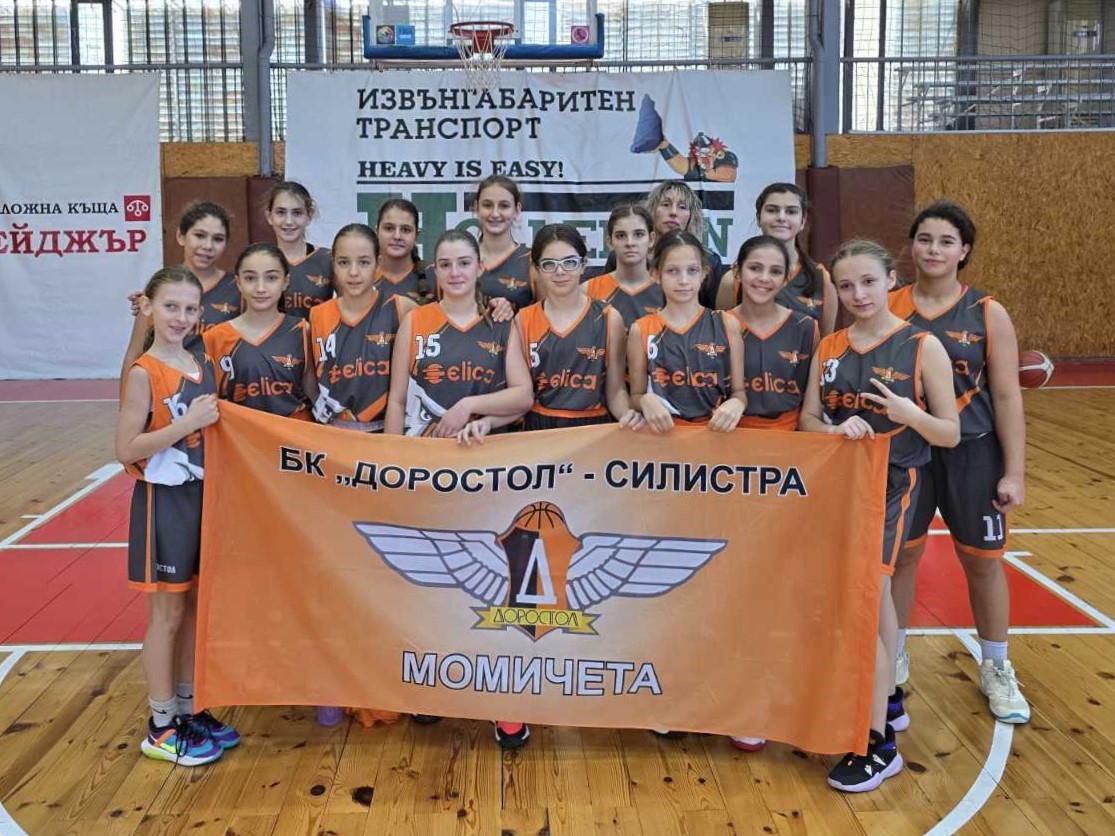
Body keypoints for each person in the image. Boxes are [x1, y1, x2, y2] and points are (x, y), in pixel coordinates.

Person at [799, 239, 959, 793]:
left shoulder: (922, 346)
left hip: (894, 485)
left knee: (866, 597)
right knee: (877, 594)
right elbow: (808, 421)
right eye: (846, 285)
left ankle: (877, 746)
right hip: (840, 485)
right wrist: (833, 428)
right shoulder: (830, 346)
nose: (858, 294)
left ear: (892, 279)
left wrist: (910, 413)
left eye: (868, 281)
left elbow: (949, 432)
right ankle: (888, 699)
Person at [385, 230, 534, 747]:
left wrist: (473, 409)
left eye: (464, 263)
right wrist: (393, 462)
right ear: (434, 270)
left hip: (490, 468)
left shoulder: (502, 321)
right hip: (428, 470)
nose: (454, 273)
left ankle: (504, 702)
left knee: (495, 582)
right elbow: (397, 400)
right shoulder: (416, 321)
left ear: (478, 268)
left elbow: (522, 396)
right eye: (445, 264)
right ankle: (435, 686)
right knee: (436, 580)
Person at [889, 201, 1030, 724]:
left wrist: (1014, 472)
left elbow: (1008, 396)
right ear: (911, 244)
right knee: (901, 557)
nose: (933, 249)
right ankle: (892, 654)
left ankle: (996, 666)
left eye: (946, 241)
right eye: (925, 239)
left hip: (973, 452)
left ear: (963, 251)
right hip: (908, 451)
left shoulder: (987, 312)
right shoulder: (888, 305)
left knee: (983, 561)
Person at [115, 266, 240, 766]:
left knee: (191, 609)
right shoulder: (144, 372)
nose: (181, 317)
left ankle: (189, 710)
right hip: (162, 502)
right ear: (148, 307)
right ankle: (160, 724)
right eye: (171, 306)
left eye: (190, 308)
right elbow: (126, 448)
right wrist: (187, 424)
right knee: (166, 615)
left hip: (200, 498)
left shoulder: (200, 361)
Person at [513, 223, 642, 433]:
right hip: (539, 429)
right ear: (536, 269)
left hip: (593, 429)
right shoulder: (523, 319)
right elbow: (520, 393)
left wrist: (629, 416)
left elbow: (616, 391)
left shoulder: (609, 318)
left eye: (570, 262)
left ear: (583, 265)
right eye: (549, 264)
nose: (560, 271)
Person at [628, 230, 746, 434]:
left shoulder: (727, 324)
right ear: (656, 274)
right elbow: (635, 396)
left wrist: (737, 403)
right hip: (663, 438)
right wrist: (644, 400)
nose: (683, 280)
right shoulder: (642, 329)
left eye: (692, 270)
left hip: (714, 436)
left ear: (704, 272)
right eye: (672, 271)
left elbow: (739, 392)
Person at [310, 223, 417, 433]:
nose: (353, 272)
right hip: (334, 435)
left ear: (378, 263)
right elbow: (308, 380)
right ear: (333, 264)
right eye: (343, 262)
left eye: (364, 262)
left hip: (389, 431)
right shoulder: (317, 316)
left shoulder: (402, 308)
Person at [121, 202, 237, 382]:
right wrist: (127, 400)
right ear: (180, 236)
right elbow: (134, 354)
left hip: (219, 390)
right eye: (199, 235)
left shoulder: (238, 288)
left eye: (218, 239)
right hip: (165, 390)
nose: (208, 245)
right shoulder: (160, 286)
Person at [203, 243, 316, 420]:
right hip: (241, 433)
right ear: (238, 283)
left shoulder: (302, 330)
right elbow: (210, 402)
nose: (260, 288)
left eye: (271, 278)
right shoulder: (215, 337)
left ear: (285, 282)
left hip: (294, 432)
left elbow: (313, 393)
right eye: (250, 278)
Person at [717, 183, 837, 336]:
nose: (781, 217)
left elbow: (825, 344)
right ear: (758, 218)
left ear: (802, 221)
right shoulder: (732, 279)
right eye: (772, 210)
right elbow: (722, 340)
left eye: (791, 211)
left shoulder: (822, 279)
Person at [728, 235, 820, 432]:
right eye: (755, 268)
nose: (764, 278)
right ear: (737, 271)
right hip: (729, 434)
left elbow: (812, 405)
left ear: (786, 279)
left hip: (789, 437)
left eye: (776, 271)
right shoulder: (718, 324)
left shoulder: (806, 327)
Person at [602, 182, 725, 308]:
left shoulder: (709, 261)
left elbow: (712, 314)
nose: (673, 212)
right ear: (652, 210)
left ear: (691, 217)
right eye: (665, 204)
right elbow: (605, 305)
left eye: (682, 207)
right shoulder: (624, 256)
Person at [263, 181, 333, 321]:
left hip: (317, 335)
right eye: (281, 212)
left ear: (309, 216)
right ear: (270, 217)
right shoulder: (259, 261)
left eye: (297, 213)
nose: (289, 221)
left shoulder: (328, 259)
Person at [585, 205, 663, 329]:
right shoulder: (588, 290)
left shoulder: (667, 289)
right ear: (610, 242)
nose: (630, 243)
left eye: (639, 234)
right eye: (621, 236)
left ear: (651, 239)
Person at [374, 198, 433, 304]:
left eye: (406, 230)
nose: (397, 236)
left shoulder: (436, 276)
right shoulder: (362, 276)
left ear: (417, 235)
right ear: (377, 231)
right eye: (389, 228)